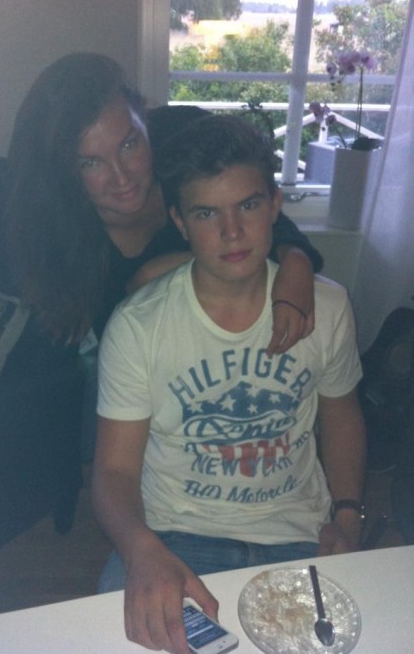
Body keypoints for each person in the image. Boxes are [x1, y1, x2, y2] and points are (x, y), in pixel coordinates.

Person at [92, 114, 366, 654]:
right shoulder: (139, 325)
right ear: (179, 221)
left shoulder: (329, 306)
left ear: (275, 205)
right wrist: (140, 548)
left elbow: (341, 415)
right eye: (206, 213)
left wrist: (348, 512)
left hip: (300, 535)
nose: (232, 231)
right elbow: (114, 470)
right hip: (173, 538)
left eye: (248, 205)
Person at [6, 52, 322, 356]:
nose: (122, 177)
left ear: (145, 119)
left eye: (130, 144)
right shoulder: (53, 240)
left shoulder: (185, 136)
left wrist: (296, 262)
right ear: (64, 170)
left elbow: (257, 205)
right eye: (91, 162)